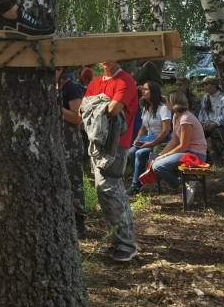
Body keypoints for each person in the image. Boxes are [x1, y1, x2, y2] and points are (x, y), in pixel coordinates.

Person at [80, 60, 139, 262]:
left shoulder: (126, 80)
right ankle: (120, 241)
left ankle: (126, 245)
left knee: (109, 191)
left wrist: (97, 104)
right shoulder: (95, 81)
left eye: (110, 54)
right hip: (98, 143)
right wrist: (101, 103)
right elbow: (83, 108)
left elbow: (113, 109)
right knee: (112, 192)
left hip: (116, 145)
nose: (105, 58)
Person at [151, 90, 210, 204]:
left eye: (167, 101)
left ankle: (181, 186)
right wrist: (161, 154)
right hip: (186, 153)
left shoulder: (185, 118)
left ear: (172, 103)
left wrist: (164, 156)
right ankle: (185, 185)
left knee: (158, 166)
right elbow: (174, 140)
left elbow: (183, 145)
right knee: (154, 158)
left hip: (195, 155)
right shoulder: (176, 117)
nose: (165, 104)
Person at [55, 67, 87, 239]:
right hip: (58, 143)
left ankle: (79, 221)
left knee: (74, 182)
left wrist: (57, 108)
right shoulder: (55, 88)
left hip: (71, 144)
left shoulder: (72, 88)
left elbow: (77, 118)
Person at [128, 81, 171, 195]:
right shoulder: (146, 107)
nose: (142, 91)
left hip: (162, 141)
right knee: (131, 151)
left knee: (139, 153)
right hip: (150, 138)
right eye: (142, 89)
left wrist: (152, 144)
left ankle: (135, 185)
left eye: (145, 89)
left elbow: (166, 130)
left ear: (153, 92)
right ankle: (141, 178)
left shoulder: (163, 108)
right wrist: (138, 139)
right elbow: (143, 127)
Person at [197, 77, 224, 161]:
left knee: (216, 133)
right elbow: (202, 113)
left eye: (206, 85)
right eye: (203, 85)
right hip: (209, 125)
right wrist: (202, 124)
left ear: (214, 85)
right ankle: (205, 157)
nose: (204, 87)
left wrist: (214, 125)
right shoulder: (205, 98)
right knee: (197, 133)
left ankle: (218, 158)